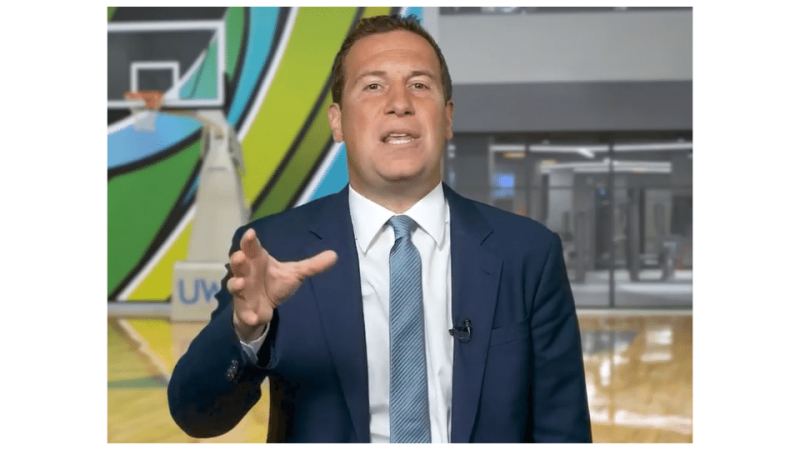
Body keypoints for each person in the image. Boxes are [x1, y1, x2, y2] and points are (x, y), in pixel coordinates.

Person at [168, 14, 592, 443]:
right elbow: (197, 417)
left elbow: (563, 429)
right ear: (337, 122)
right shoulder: (275, 249)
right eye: (373, 86)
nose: (399, 103)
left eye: (419, 85)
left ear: (447, 118)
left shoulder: (527, 254)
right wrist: (245, 331)